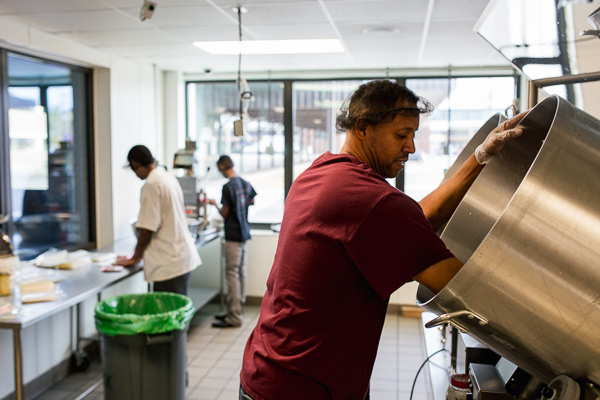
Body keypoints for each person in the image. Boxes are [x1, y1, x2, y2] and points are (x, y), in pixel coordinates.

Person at [239, 80, 526, 400]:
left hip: (267, 367)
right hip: (304, 386)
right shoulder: (372, 202)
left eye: (414, 135)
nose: (411, 147)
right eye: (401, 135)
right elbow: (465, 290)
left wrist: (479, 157)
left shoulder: (321, 173)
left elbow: (410, 219)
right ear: (362, 128)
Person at [114, 145, 201, 296]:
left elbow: (147, 228)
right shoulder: (166, 176)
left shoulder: (151, 184)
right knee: (176, 314)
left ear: (135, 164)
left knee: (168, 315)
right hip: (179, 258)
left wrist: (135, 258)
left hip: (169, 264)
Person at [208, 155, 257, 328]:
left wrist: (214, 204)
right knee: (240, 272)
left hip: (233, 234)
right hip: (244, 232)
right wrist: (242, 207)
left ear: (222, 166)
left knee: (232, 274)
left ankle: (234, 315)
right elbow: (251, 200)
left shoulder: (227, 187)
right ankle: (238, 309)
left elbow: (225, 213)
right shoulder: (244, 183)